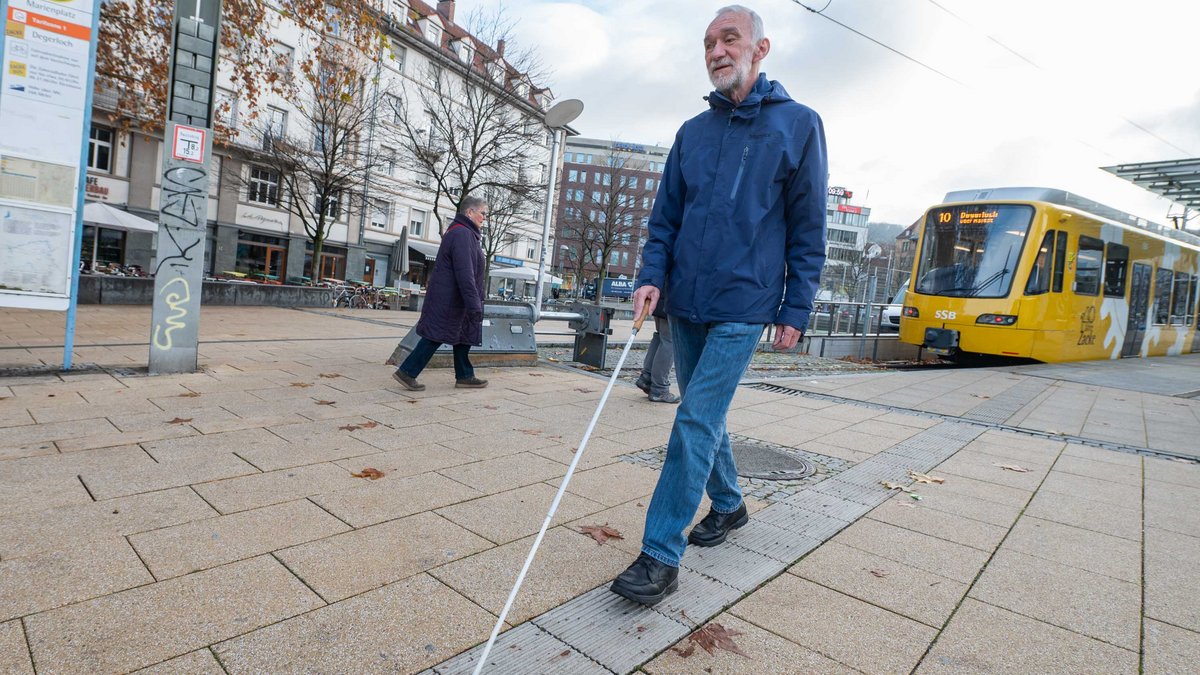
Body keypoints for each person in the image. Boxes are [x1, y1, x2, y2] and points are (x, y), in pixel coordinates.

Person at [609, 4, 827, 605]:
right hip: (685, 302)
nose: (716, 51)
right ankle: (729, 504)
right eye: (708, 43)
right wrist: (651, 277)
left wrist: (795, 308)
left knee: (694, 419)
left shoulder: (799, 125)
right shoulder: (692, 133)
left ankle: (660, 553)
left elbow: (808, 228)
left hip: (745, 303)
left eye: (729, 39)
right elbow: (664, 220)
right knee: (706, 415)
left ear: (760, 48)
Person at [392, 196, 490, 391]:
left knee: (462, 335)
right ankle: (407, 372)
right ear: (470, 212)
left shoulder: (464, 233)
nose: (485, 218)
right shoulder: (462, 234)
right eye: (483, 213)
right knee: (435, 335)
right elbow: (465, 272)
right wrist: (474, 303)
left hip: (455, 298)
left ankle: (465, 375)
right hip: (450, 299)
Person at [635, 286, 680, 404]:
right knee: (669, 340)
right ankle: (659, 388)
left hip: (659, 296)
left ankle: (647, 378)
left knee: (660, 336)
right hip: (672, 297)